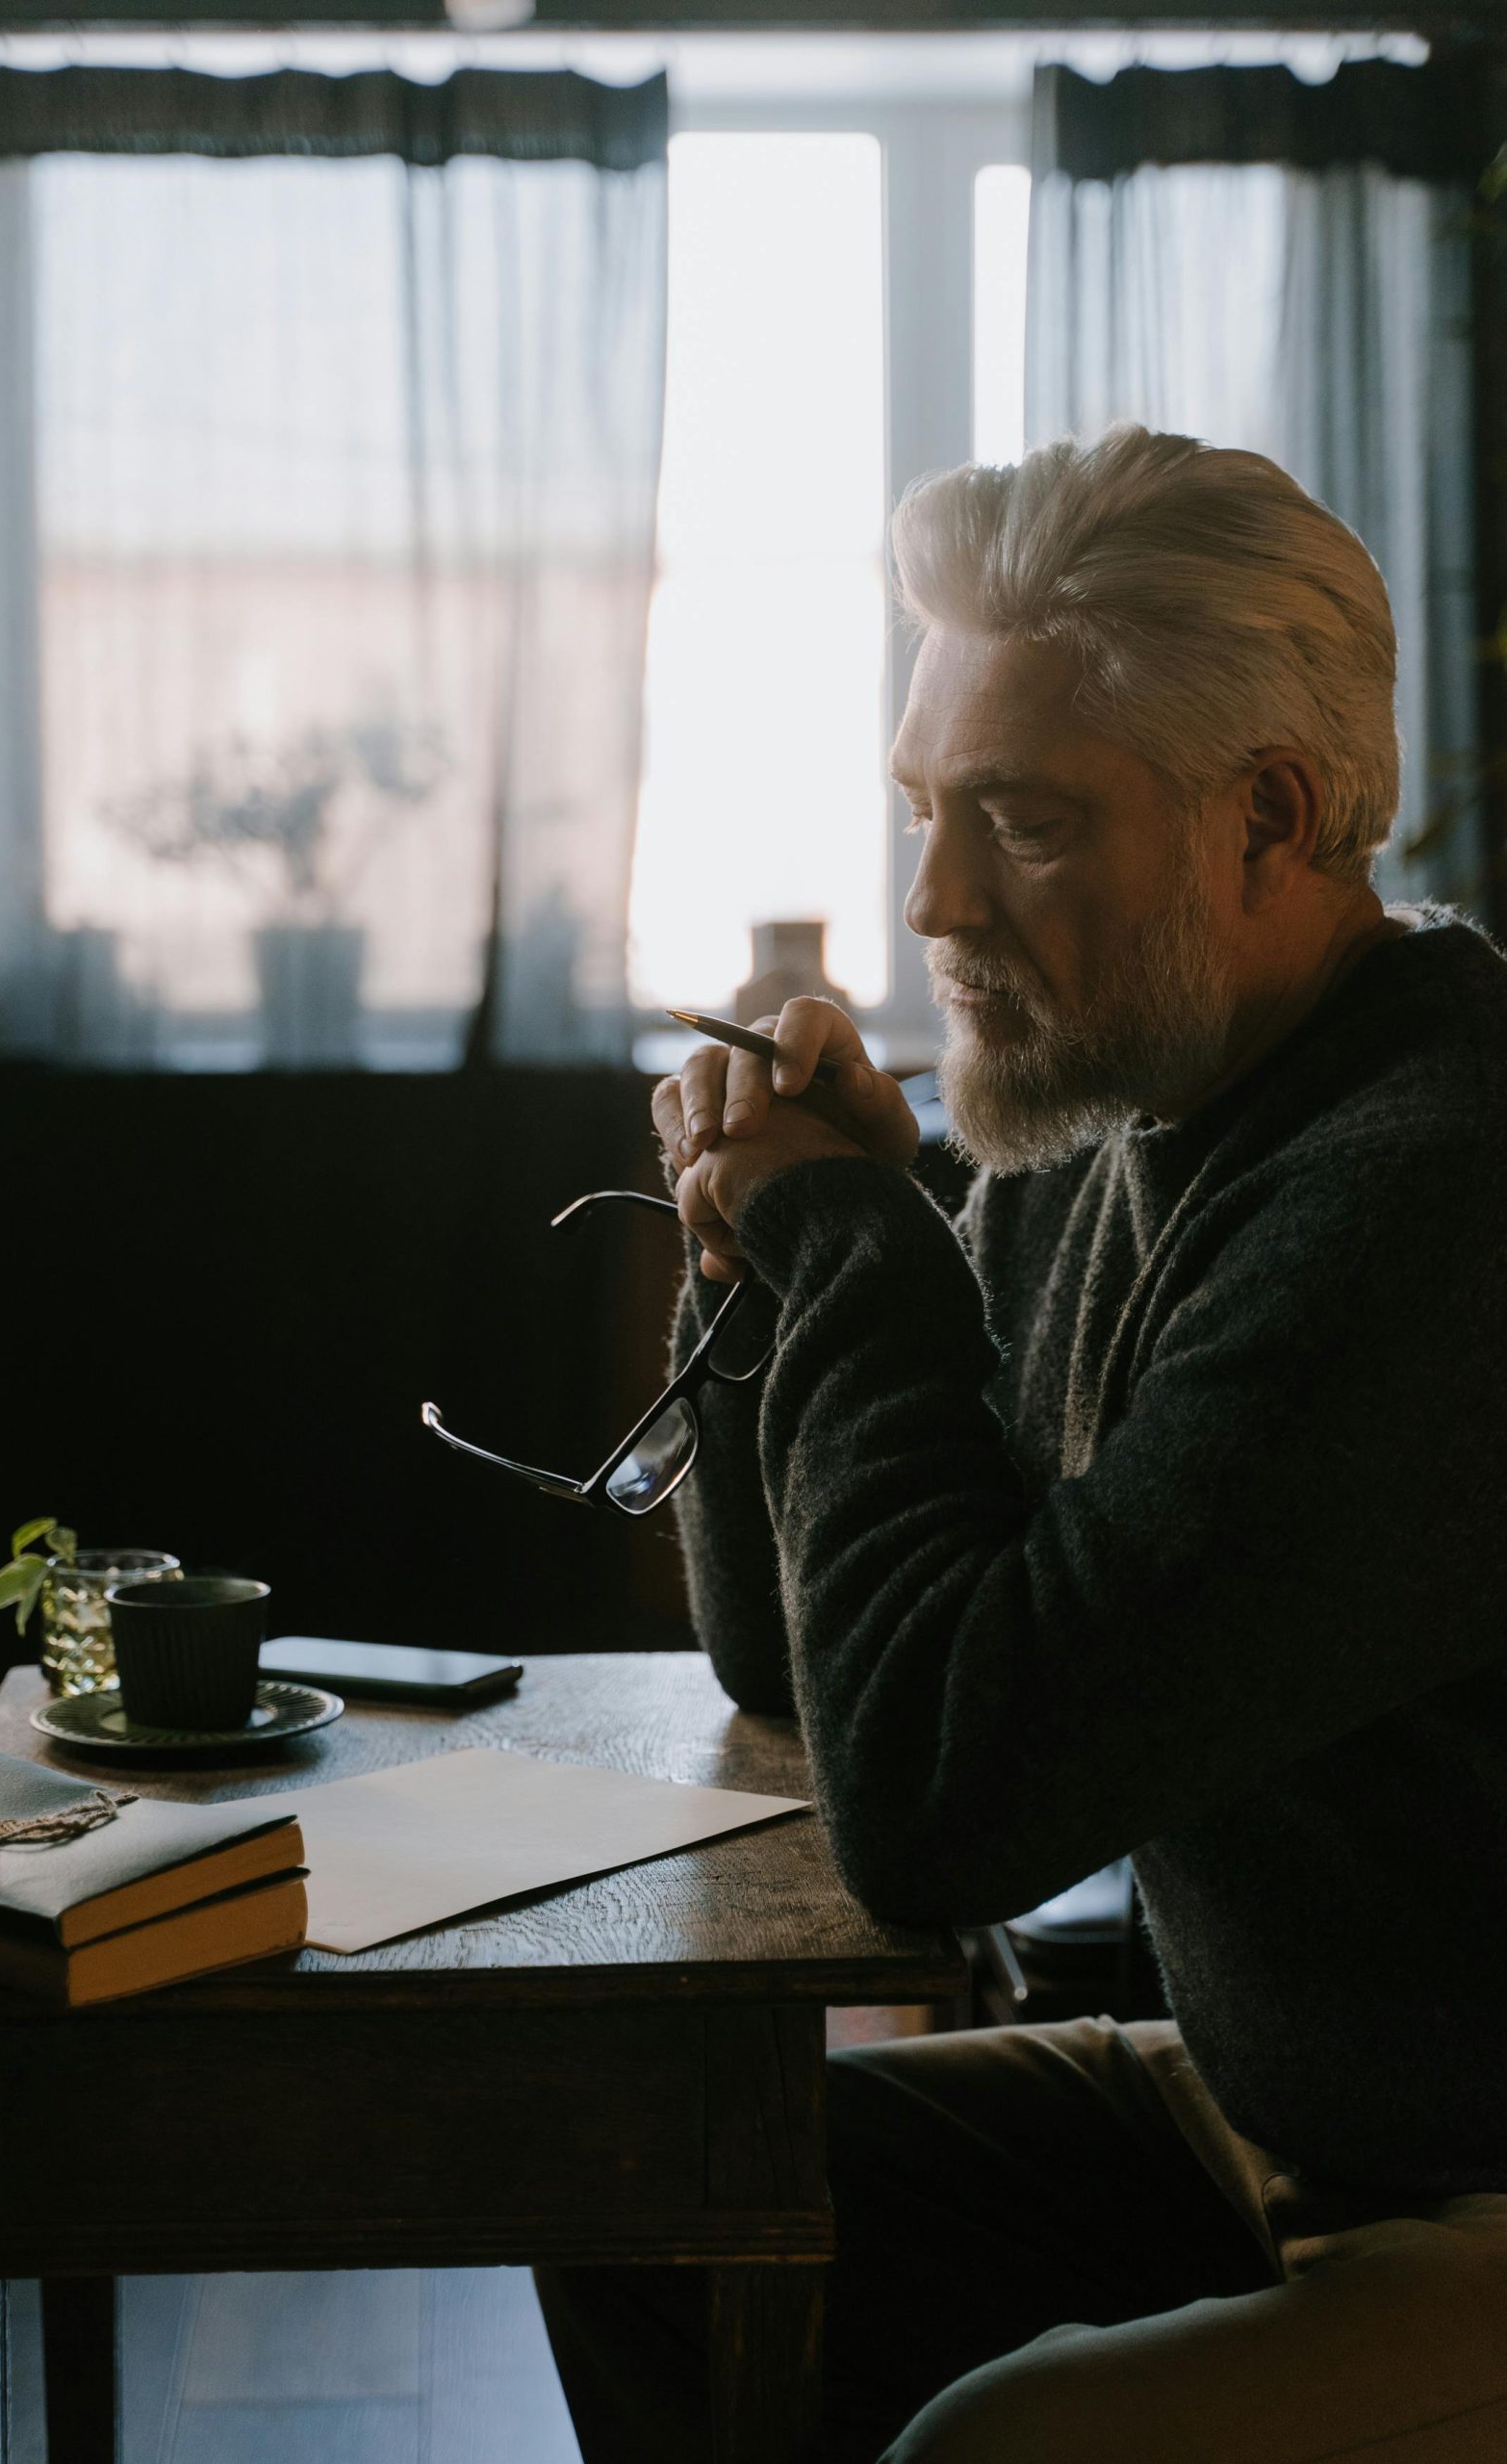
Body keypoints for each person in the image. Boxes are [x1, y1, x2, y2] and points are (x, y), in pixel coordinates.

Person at [536, 425, 1507, 2460]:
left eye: (1024, 822)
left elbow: (945, 1809)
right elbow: (806, 1665)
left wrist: (857, 1250)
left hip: (1466, 2196)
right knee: (647, 2203)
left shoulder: (1429, 1190)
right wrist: (766, 1257)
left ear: (1273, 813)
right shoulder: (1125, 1104)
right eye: (922, 808)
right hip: (1278, 2117)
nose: (932, 898)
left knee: (993, 2446)